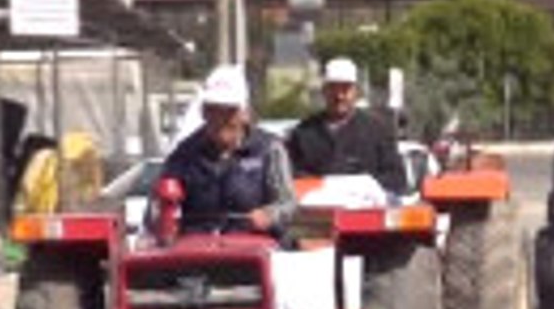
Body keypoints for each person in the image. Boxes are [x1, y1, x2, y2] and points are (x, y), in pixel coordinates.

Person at [150, 65, 296, 237]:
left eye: (229, 112)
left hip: (254, 247)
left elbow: (287, 203)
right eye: (213, 110)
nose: (220, 119)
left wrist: (270, 215)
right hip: (197, 250)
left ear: (245, 113)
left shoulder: (269, 149)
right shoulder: (184, 154)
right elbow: (159, 205)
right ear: (203, 112)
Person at [286, 57, 410, 195]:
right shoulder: (303, 133)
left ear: (356, 91)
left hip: (365, 212)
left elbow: (397, 180)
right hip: (316, 212)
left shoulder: (377, 131)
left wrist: (361, 186)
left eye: (345, 89)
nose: (339, 96)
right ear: (324, 91)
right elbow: (288, 179)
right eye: (333, 88)